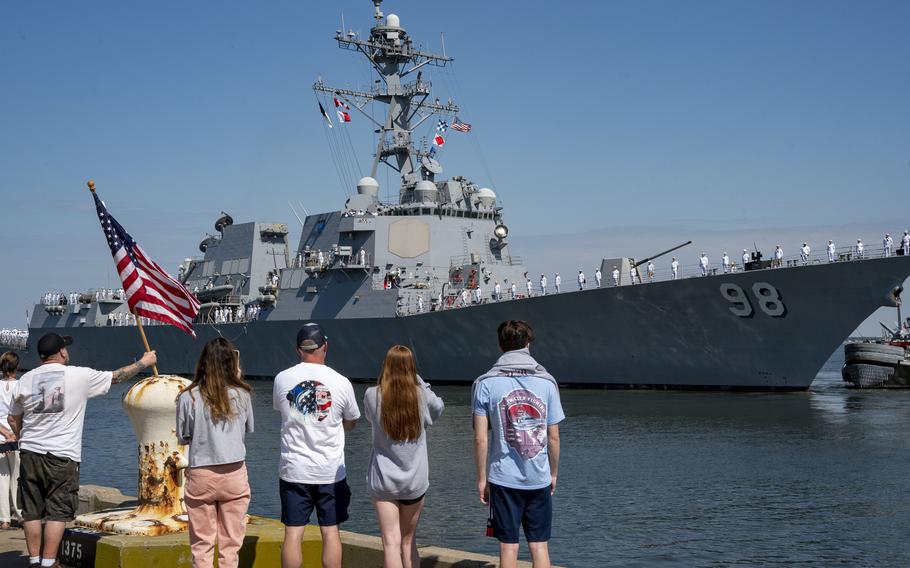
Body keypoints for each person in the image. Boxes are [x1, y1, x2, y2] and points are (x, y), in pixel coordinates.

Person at [8, 333, 156, 568]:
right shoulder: (79, 375)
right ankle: (48, 563)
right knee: (58, 512)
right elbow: (117, 377)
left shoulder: (25, 380)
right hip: (62, 456)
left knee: (31, 512)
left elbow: (13, 419)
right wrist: (144, 363)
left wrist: (23, 437)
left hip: (29, 453)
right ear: (63, 352)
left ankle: (35, 561)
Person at [472, 321, 564, 568]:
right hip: (539, 477)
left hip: (503, 478)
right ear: (528, 344)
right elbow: (553, 437)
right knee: (539, 545)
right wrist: (553, 473)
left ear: (500, 345)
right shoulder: (547, 383)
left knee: (509, 546)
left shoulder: (485, 384)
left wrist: (482, 479)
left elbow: (481, 438)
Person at [273, 324, 360, 568]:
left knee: (293, 533)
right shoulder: (341, 382)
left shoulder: (282, 379)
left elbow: (283, 411)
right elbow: (351, 421)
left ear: (298, 350)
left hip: (294, 469)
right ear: (325, 347)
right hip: (330, 471)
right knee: (331, 532)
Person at [364, 346, 444, 568]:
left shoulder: (372, 395)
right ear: (412, 368)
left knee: (391, 542)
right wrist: (421, 383)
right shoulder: (421, 396)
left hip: (384, 479)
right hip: (414, 481)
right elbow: (438, 408)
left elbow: (371, 419)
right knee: (409, 542)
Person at [176, 338, 254, 568]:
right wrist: (237, 380)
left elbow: (183, 436)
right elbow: (246, 430)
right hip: (234, 473)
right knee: (231, 545)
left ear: (203, 363)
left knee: (202, 544)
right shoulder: (243, 394)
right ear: (233, 363)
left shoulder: (188, 396)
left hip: (202, 473)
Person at [0, 352, 22, 529]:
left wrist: (4, 433)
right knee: (17, 478)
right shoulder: (21, 386)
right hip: (16, 438)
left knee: (2, 481)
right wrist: (13, 434)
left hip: (0, 438)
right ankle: (21, 515)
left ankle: (4, 519)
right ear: (17, 366)